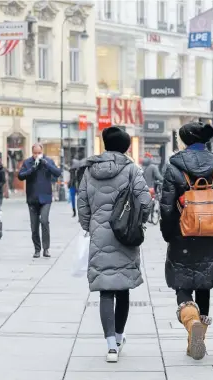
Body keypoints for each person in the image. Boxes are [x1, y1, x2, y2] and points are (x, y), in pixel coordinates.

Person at [159, 122, 213, 361]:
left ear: (184, 141)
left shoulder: (174, 167)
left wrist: (168, 233)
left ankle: (191, 320)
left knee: (183, 284)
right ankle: (199, 338)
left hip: (183, 235)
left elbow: (166, 208)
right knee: (204, 285)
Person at [77, 127, 152, 363]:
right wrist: (137, 222)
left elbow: (82, 204)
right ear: (126, 147)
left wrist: (91, 227)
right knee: (122, 288)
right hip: (125, 235)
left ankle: (110, 346)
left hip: (100, 235)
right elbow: (145, 201)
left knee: (105, 290)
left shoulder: (89, 170)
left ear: (104, 144)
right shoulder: (131, 169)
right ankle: (119, 338)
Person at [18, 143, 61, 258]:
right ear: (32, 152)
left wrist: (46, 164)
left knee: (44, 221)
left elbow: (57, 172)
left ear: (42, 152)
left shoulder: (48, 161)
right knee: (34, 225)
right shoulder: (28, 162)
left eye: (39, 153)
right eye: (35, 153)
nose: (37, 155)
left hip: (46, 197)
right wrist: (32, 169)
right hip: (32, 198)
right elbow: (20, 176)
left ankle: (46, 249)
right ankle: (37, 249)